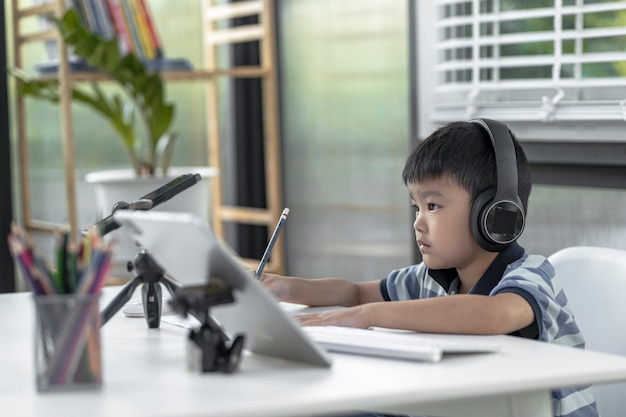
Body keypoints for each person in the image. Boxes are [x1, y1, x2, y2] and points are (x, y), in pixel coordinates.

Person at [259, 119, 598, 417]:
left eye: (432, 205)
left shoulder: (531, 274)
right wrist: (288, 287)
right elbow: (355, 291)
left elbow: (492, 316)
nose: (418, 223)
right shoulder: (432, 279)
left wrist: (368, 315)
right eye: (415, 207)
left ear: (495, 213)